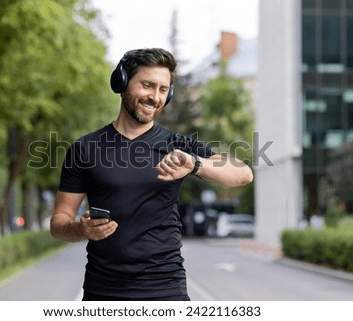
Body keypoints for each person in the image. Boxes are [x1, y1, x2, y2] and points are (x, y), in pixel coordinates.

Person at [50, 48, 253, 301]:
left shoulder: (178, 146)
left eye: (163, 89)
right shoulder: (84, 149)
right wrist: (81, 228)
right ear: (122, 82)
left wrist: (195, 164)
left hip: (166, 290)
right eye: (147, 85)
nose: (155, 97)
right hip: (103, 292)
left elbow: (243, 173)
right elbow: (58, 223)